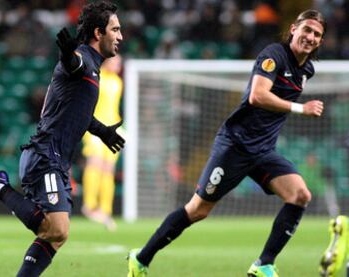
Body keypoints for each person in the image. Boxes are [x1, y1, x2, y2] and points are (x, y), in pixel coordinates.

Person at [127, 9, 326, 277]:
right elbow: (257, 96)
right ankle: (140, 259)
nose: (311, 37)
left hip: (263, 151)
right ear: (293, 29)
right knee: (197, 210)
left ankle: (263, 264)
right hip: (235, 146)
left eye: (317, 34)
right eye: (307, 30)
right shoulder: (273, 55)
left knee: (300, 195)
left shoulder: (307, 70)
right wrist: (301, 108)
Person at [0, 1, 124, 276]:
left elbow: (77, 112)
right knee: (56, 228)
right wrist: (67, 53)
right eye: (115, 29)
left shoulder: (94, 69)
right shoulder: (83, 60)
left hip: (56, 159)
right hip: (45, 155)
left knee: (56, 236)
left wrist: (102, 131)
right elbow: (73, 64)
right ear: (99, 33)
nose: (120, 36)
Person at [81, 54, 123, 231]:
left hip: (112, 128)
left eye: (119, 62)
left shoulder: (118, 82)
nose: (117, 64)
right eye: (114, 61)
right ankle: (89, 205)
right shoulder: (96, 77)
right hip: (95, 128)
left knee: (108, 169)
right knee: (95, 163)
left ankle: (105, 210)